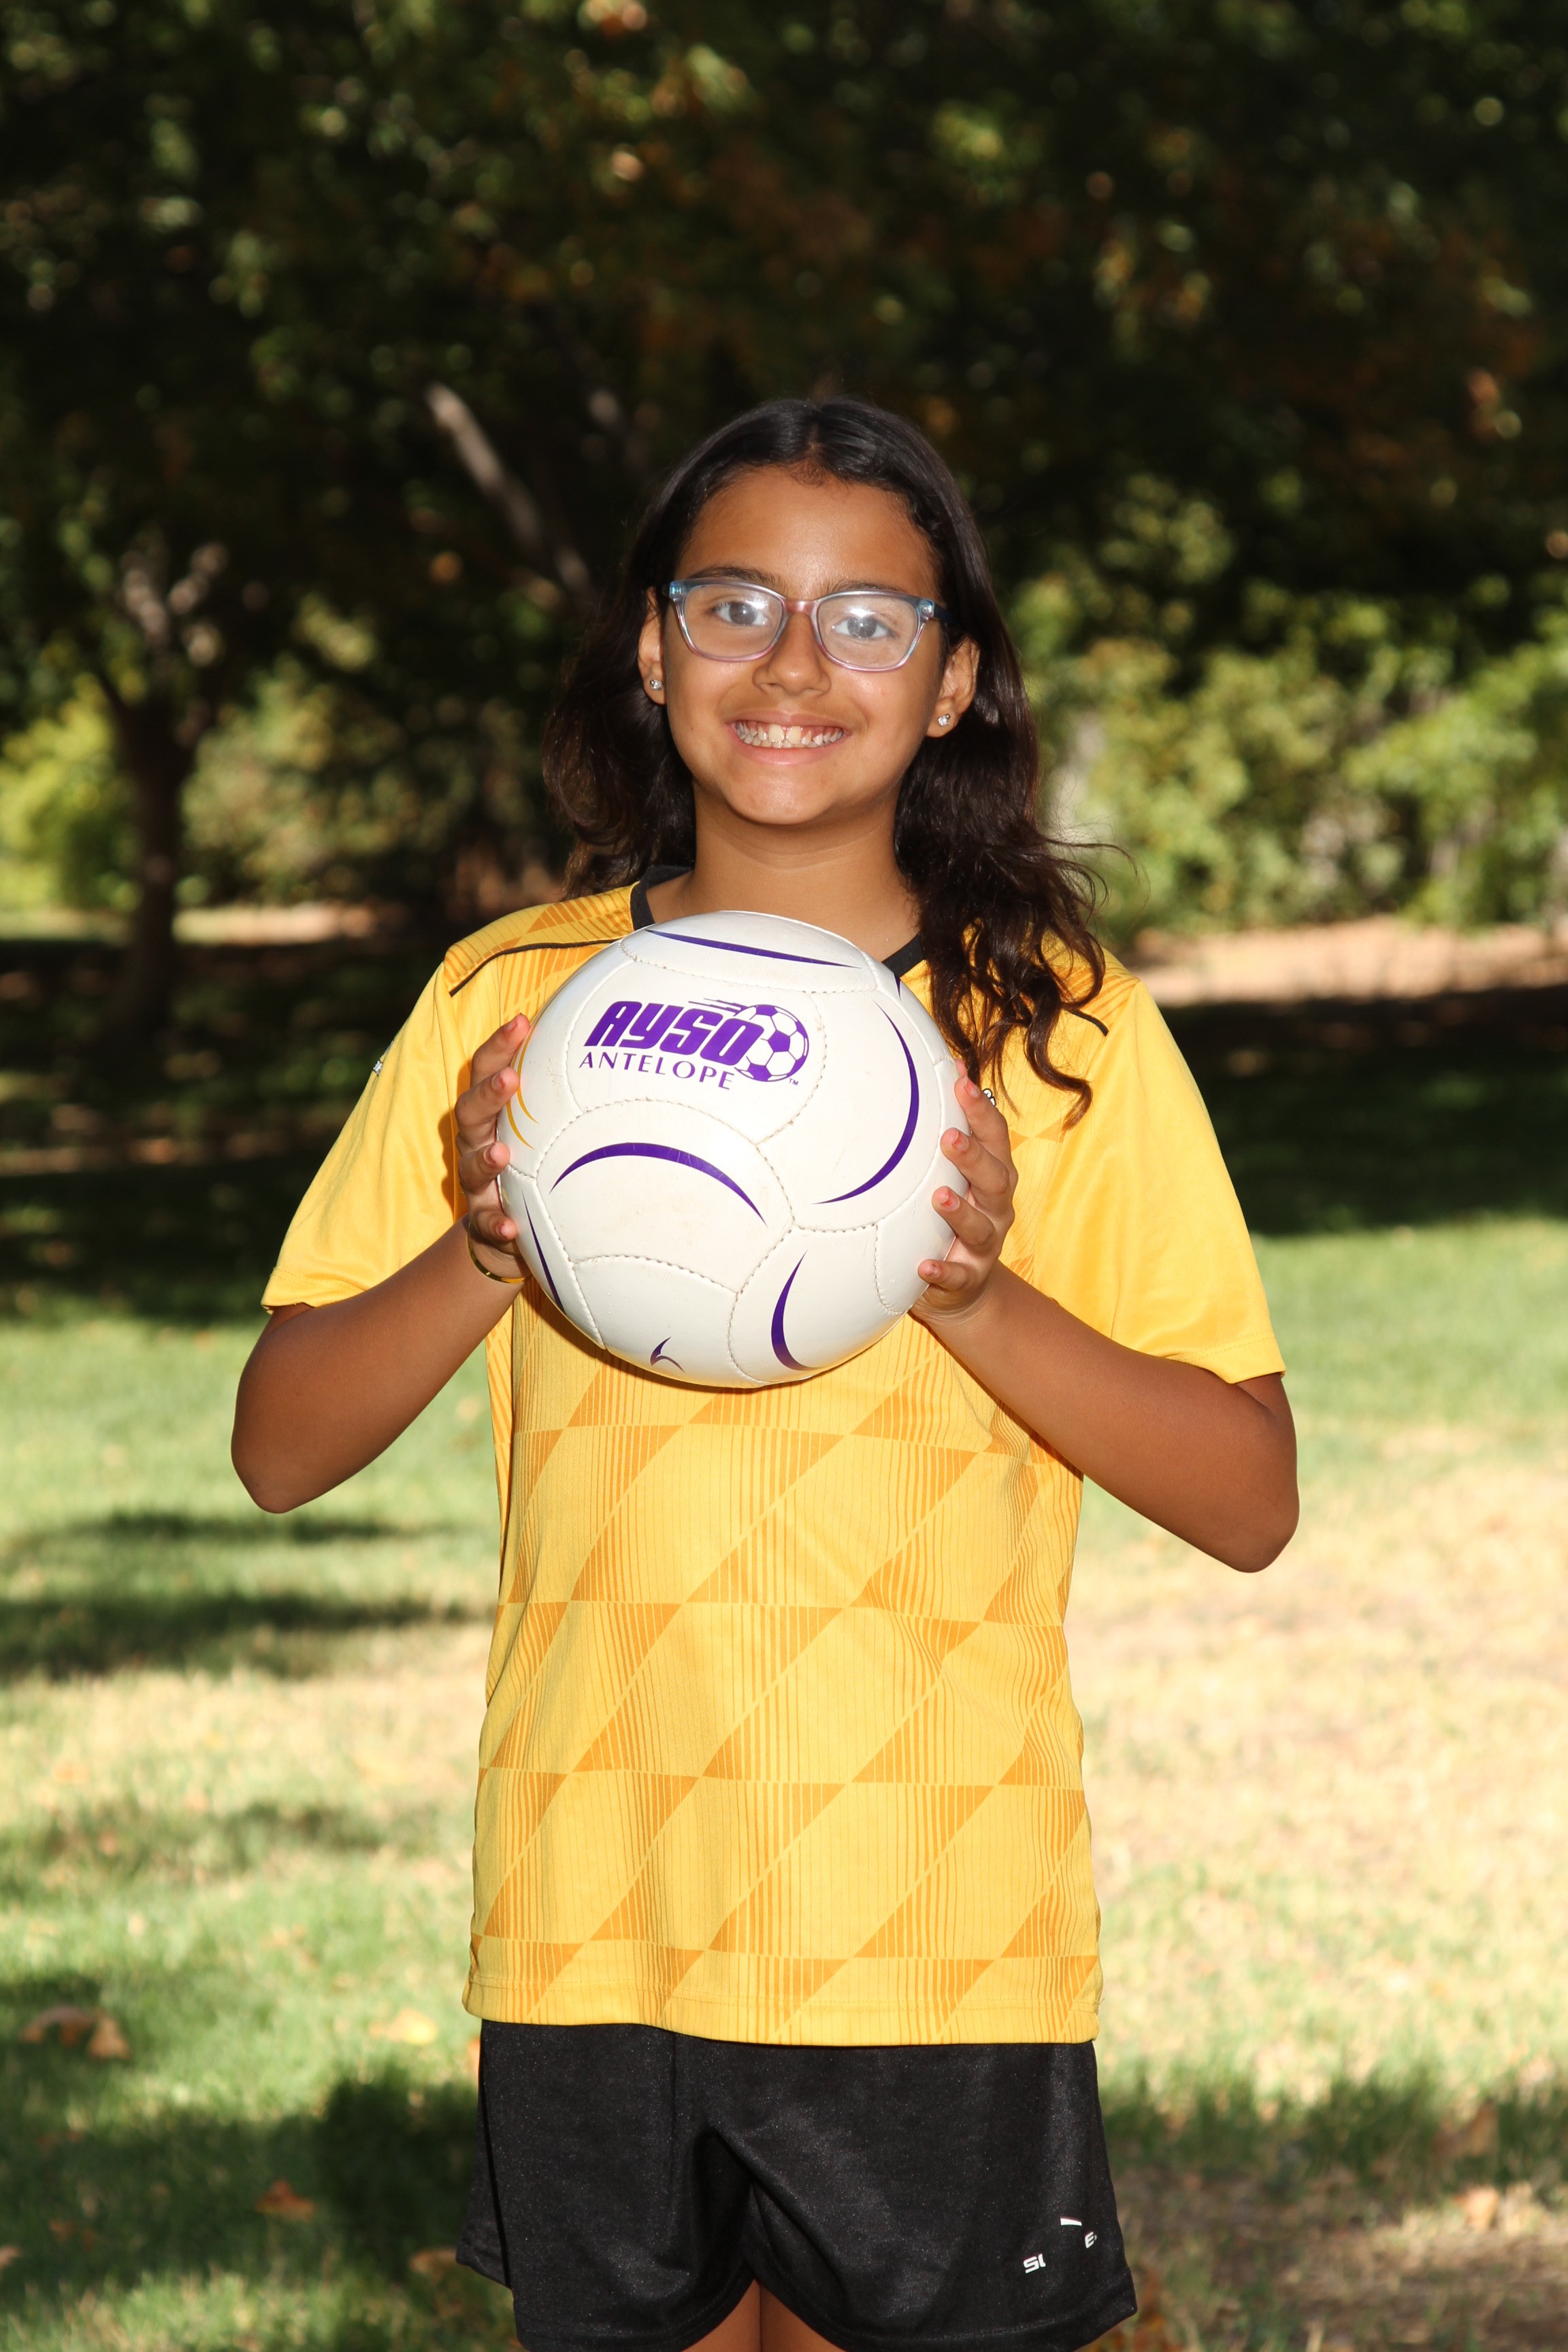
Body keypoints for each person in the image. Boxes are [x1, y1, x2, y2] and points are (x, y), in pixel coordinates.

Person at [233, 397, 1296, 2352]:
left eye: (869, 619)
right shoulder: (513, 1006)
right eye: (734, 605)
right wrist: (489, 1237)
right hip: (592, 1914)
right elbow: (281, 1446)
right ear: (654, 648)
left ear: (954, 681)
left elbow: (1248, 1497)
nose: (795, 666)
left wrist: (971, 1291)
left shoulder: (1053, 1033)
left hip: (929, 1921)